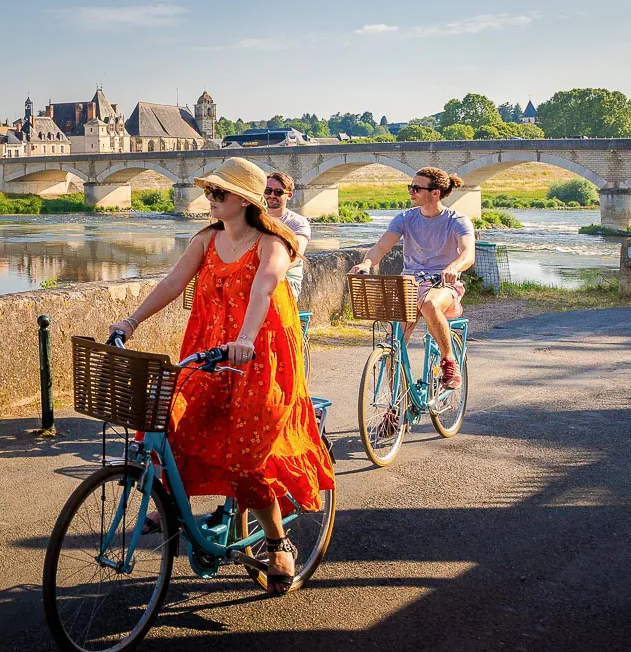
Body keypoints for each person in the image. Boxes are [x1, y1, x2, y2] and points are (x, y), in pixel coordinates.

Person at [109, 158, 334, 593]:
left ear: (245, 201)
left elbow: (264, 288)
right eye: (210, 192)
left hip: (261, 352)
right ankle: (174, 501)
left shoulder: (273, 243)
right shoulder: (207, 239)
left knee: (251, 454)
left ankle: (277, 542)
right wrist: (131, 321)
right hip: (209, 346)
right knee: (174, 417)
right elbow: (173, 281)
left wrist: (246, 337)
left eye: (219, 193)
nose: (210, 199)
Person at [349, 167, 475, 389]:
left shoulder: (457, 220)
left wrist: (454, 267)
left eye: (417, 188)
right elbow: (381, 246)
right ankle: (395, 406)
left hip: (443, 283)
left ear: (435, 193)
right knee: (393, 344)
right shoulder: (406, 218)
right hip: (409, 284)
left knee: (428, 304)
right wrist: (366, 263)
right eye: (410, 187)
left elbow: (468, 254)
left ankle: (449, 361)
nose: (411, 191)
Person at [264, 171, 311, 299]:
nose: (272, 195)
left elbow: (296, 255)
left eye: (278, 192)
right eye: (268, 191)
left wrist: (268, 275)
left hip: (287, 279)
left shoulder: (297, 222)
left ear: (289, 195)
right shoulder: (253, 219)